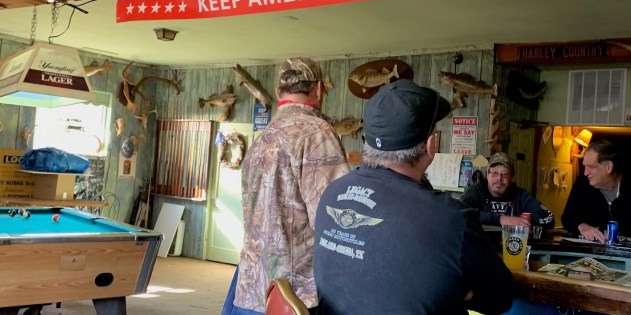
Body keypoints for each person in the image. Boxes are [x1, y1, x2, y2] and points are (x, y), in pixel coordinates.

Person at [313, 80, 514, 315]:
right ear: (431, 145)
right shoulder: (450, 219)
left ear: (367, 140)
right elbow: (500, 297)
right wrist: (462, 290)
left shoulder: (332, 193)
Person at [222, 57, 349, 315]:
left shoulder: (263, 138)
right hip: (296, 295)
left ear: (280, 93)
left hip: (252, 284)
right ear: (319, 90)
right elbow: (335, 220)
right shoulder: (317, 134)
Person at [561, 141, 631, 242]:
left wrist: (601, 229)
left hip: (625, 253)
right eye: (585, 166)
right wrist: (581, 226)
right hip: (588, 251)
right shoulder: (582, 183)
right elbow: (567, 218)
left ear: (608, 167)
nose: (585, 173)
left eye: (591, 167)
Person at [461, 152, 555, 229]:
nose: (499, 178)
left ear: (512, 177)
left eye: (505, 174)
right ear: (487, 175)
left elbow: (549, 218)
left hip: (512, 248)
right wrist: (501, 219)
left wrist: (524, 220)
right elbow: (458, 212)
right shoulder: (476, 190)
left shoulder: (521, 195)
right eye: (494, 173)